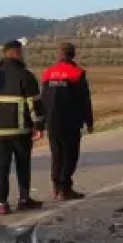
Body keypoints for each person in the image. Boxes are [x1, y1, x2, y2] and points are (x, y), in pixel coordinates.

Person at [0, 40, 44, 215]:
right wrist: (38, 125)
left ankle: (2, 203)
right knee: (23, 165)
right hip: (20, 131)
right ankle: (24, 199)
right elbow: (34, 103)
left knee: (1, 168)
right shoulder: (25, 75)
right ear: (17, 53)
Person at [41, 42, 94, 201]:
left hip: (52, 121)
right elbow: (84, 99)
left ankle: (56, 188)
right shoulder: (77, 73)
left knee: (56, 155)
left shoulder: (48, 73)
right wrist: (89, 120)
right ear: (73, 54)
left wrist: (41, 121)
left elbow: (43, 98)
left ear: (59, 54)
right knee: (70, 155)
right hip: (70, 121)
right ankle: (65, 189)